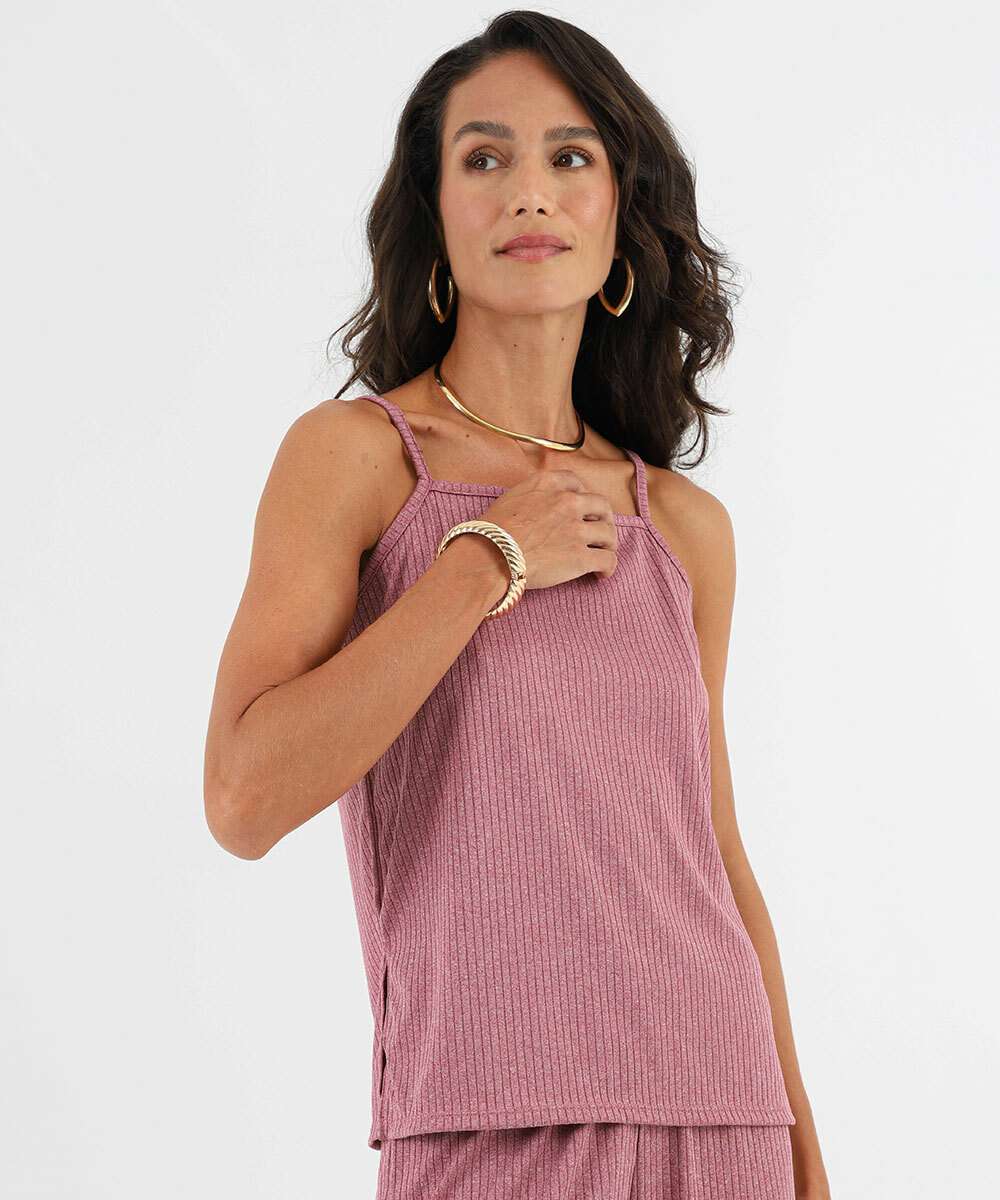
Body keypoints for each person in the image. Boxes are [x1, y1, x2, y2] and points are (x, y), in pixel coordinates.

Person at [203, 11, 830, 1200]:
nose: (528, 191)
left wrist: (800, 1141)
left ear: (620, 217)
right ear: (436, 217)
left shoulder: (682, 527)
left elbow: (713, 847)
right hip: (486, 1117)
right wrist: (486, 561)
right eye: (484, 157)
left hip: (723, 1109)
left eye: (569, 156)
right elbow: (243, 798)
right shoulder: (357, 459)